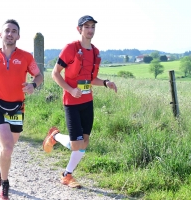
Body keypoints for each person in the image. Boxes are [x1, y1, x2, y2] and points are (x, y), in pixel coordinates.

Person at [42, 15, 117, 188]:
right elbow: (55, 73)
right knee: (76, 144)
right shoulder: (70, 48)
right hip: (71, 102)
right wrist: (70, 89)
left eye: (93, 27)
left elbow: (91, 79)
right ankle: (54, 136)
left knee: (84, 142)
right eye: (87, 27)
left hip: (87, 102)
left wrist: (105, 83)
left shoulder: (96, 52)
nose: (90, 30)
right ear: (79, 29)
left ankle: (67, 175)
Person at [0, 19, 43, 200]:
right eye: (7, 31)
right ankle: (4, 184)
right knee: (8, 146)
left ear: (18, 36)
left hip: (17, 107)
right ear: (1, 34)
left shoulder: (26, 57)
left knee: (7, 148)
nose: (10, 34)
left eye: (14, 31)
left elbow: (39, 75)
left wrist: (33, 85)